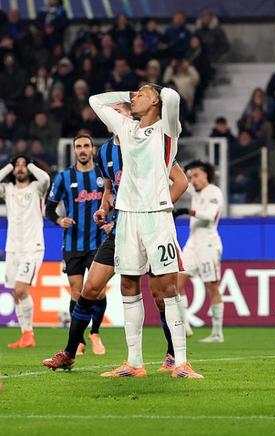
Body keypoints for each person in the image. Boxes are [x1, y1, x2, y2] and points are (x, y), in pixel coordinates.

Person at [42, 103, 189, 372]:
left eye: (120, 111)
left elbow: (181, 182)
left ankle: (172, 355)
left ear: (130, 116)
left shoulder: (149, 142)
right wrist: (103, 209)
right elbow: (110, 190)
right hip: (121, 229)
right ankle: (70, 352)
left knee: (160, 296)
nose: (114, 115)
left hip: (150, 227)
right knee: (90, 289)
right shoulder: (106, 152)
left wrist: (155, 210)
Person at [86, 84, 202, 378]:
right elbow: (95, 100)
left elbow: (173, 96)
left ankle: (181, 362)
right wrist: (131, 96)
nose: (134, 97)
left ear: (156, 102)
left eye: (141, 94)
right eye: (133, 94)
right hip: (127, 217)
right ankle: (134, 362)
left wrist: (154, 93)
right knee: (128, 285)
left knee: (168, 288)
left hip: (157, 218)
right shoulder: (126, 128)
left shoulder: (167, 129)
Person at [45, 134, 107, 356]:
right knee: (76, 291)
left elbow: (114, 200)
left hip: (98, 242)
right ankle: (79, 340)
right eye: (78, 146)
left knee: (99, 291)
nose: (82, 150)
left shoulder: (102, 175)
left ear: (92, 149)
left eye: (86, 146)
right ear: (74, 151)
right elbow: (49, 208)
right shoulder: (64, 177)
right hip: (72, 243)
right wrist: (59, 220)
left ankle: (95, 333)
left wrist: (110, 221)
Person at [1, 155, 50, 348]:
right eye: (17, 165)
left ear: (30, 168)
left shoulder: (37, 188)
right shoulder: (8, 189)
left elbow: (45, 178)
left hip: (32, 248)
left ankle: (29, 334)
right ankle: (25, 335)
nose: (20, 168)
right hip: (13, 249)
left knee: (21, 289)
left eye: (24, 165)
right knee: (16, 293)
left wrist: (29, 163)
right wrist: (9, 165)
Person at [173, 161, 225, 343]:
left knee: (212, 286)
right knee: (177, 283)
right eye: (190, 177)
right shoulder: (196, 192)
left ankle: (217, 333)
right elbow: (177, 180)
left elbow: (209, 216)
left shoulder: (214, 192)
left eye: (196, 175)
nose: (192, 180)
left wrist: (187, 210)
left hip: (208, 245)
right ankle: (184, 324)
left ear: (206, 174)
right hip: (192, 244)